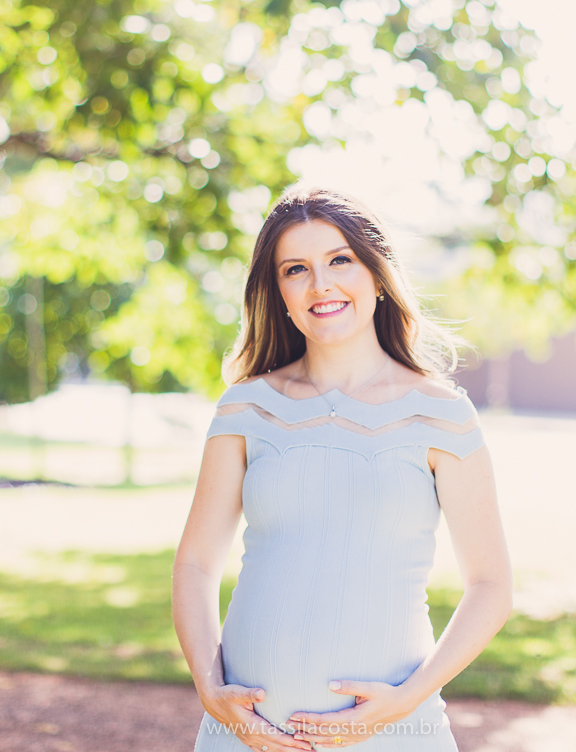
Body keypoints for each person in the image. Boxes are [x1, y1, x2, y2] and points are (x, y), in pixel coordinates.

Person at [172, 187, 513, 752]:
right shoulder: (245, 407)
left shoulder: (440, 412)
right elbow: (195, 564)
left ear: (377, 275)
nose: (320, 285)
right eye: (296, 269)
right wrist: (210, 689)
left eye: (339, 261)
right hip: (245, 737)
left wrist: (406, 699)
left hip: (395, 734)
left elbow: (491, 586)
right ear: (277, 291)